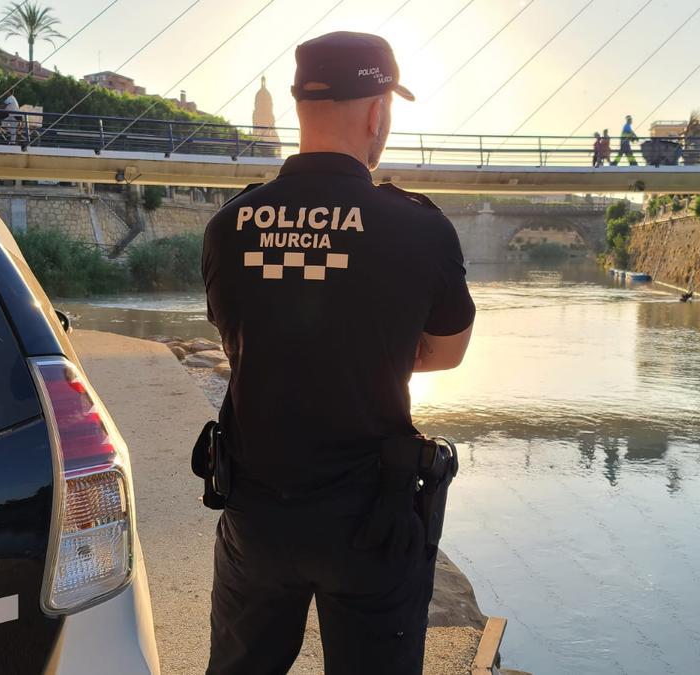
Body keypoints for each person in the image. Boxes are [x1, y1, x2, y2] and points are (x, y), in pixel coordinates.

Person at [200, 31, 475, 675]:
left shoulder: (229, 225)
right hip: (370, 522)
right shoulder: (419, 228)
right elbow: (448, 353)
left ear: (299, 106)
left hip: (257, 515)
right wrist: (367, 353)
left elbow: (245, 343)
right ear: (378, 111)